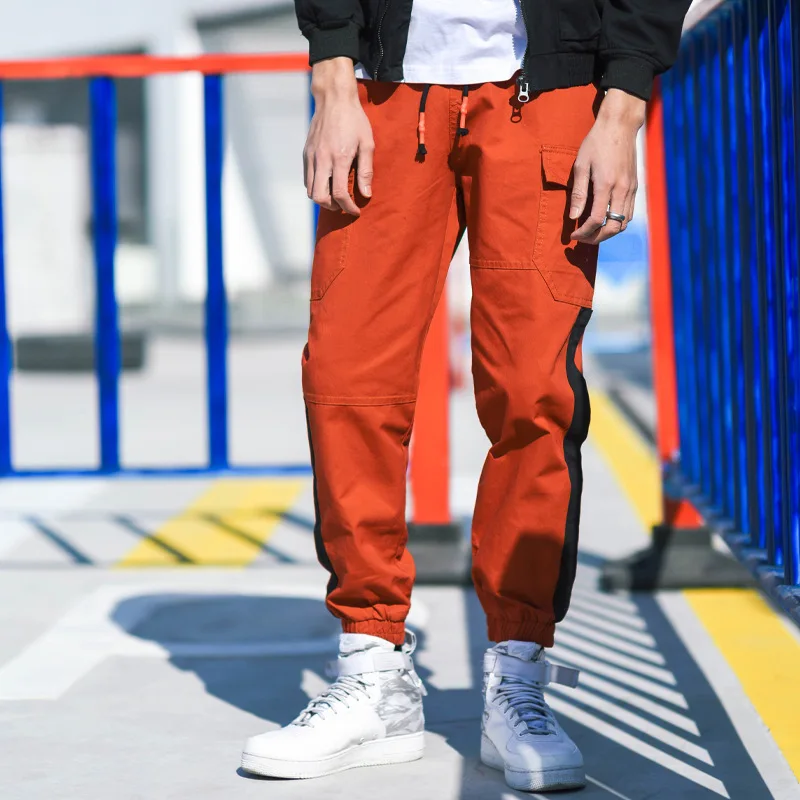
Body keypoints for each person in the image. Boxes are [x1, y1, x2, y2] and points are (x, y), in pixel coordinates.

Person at [241, 0, 690, 791]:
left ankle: (519, 672)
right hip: (383, 90)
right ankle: (372, 669)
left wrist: (621, 110)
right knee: (347, 381)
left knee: (534, 394)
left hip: (546, 92)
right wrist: (333, 81)